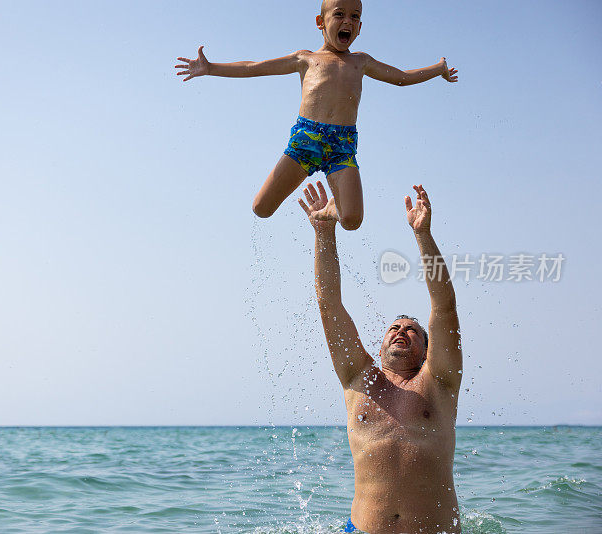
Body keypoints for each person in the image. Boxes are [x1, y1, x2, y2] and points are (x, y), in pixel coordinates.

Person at [175, 0, 458, 224]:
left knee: (352, 220)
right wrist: (211, 68)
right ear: (320, 22)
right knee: (261, 209)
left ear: (360, 28)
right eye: (340, 14)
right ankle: (325, 203)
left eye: (355, 16)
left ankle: (328, 212)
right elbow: (255, 67)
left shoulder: (362, 62)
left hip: (342, 146)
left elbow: (401, 77)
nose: (348, 21)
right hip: (305, 141)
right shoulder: (306, 59)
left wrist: (438, 69)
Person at [298, 182, 462, 533]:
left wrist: (423, 234)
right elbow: (329, 304)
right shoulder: (358, 378)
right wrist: (323, 231)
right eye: (394, 328)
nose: (401, 331)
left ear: (427, 349)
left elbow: (445, 309)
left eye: (412, 330)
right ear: (380, 344)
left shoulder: (439, 383)